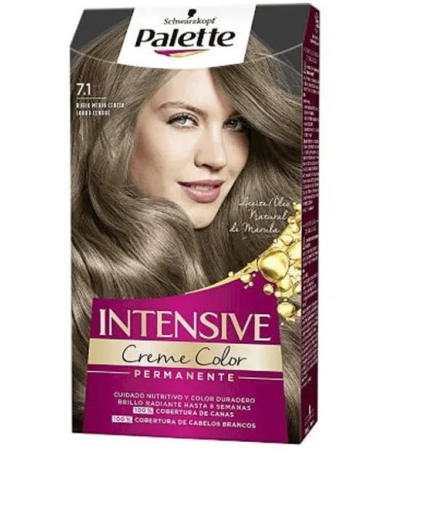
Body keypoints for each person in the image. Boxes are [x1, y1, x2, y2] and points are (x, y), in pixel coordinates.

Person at [71, 22, 302, 440]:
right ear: (114, 128)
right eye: (183, 119)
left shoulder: (278, 264)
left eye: (236, 124)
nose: (217, 157)